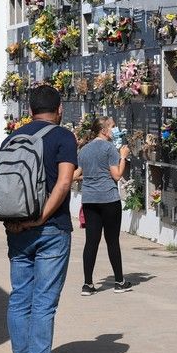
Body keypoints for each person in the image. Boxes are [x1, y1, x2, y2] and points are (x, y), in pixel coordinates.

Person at [3, 85, 77, 353]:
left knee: (20, 298)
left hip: (16, 229)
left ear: (30, 110)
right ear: (59, 109)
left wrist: (20, 221)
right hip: (51, 229)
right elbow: (62, 184)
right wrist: (41, 217)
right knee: (44, 301)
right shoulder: (63, 137)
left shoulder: (12, 139)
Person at [76, 116, 132, 295]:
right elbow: (116, 176)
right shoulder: (110, 148)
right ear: (104, 130)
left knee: (91, 241)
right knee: (112, 241)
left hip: (89, 200)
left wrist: (89, 177)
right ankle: (119, 281)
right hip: (108, 199)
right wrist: (123, 157)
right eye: (113, 127)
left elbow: (75, 174)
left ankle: (88, 284)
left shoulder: (84, 150)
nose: (115, 130)